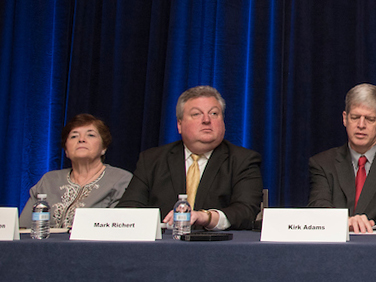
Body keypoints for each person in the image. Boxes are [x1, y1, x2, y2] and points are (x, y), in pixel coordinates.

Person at [118, 86, 263, 230]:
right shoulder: (151, 160)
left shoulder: (243, 160)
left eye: (214, 113)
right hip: (162, 247)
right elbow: (128, 209)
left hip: (217, 248)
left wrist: (206, 217)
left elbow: (246, 212)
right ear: (179, 125)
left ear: (223, 122)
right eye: (196, 114)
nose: (206, 120)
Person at [308, 84, 376, 233]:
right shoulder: (323, 163)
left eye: (369, 119)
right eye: (355, 117)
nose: (361, 125)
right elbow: (317, 209)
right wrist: (345, 222)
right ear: (345, 118)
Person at [20, 114, 133, 229]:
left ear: (104, 148)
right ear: (66, 151)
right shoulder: (49, 180)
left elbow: (118, 229)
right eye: (74, 136)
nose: (81, 139)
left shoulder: (120, 179)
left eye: (90, 135)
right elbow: (23, 228)